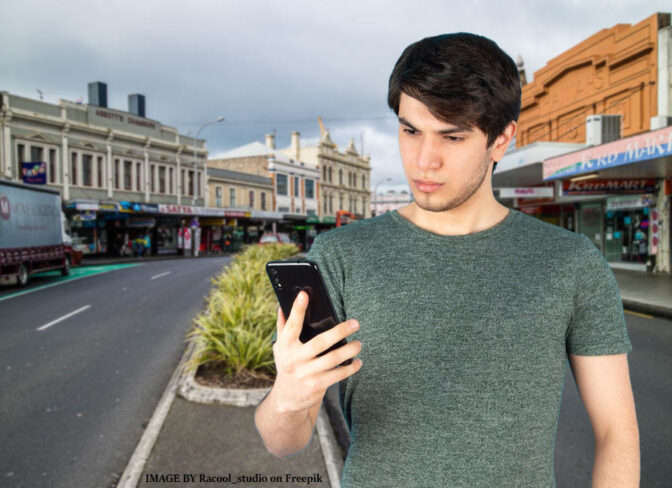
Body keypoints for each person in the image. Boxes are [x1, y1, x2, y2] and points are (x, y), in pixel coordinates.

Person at [255, 33, 639, 487]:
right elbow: (282, 442)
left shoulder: (571, 263)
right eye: (410, 130)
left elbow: (617, 432)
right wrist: (289, 394)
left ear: (501, 140)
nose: (423, 161)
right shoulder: (341, 256)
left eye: (452, 137)